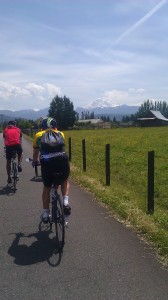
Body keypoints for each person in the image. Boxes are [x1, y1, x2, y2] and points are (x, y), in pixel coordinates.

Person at [32, 117, 71, 223]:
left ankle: (45, 214)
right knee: (65, 180)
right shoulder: (61, 134)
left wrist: (34, 162)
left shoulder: (38, 135)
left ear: (42, 127)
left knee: (47, 188)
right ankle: (66, 202)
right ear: (55, 126)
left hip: (48, 165)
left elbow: (36, 153)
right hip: (62, 161)